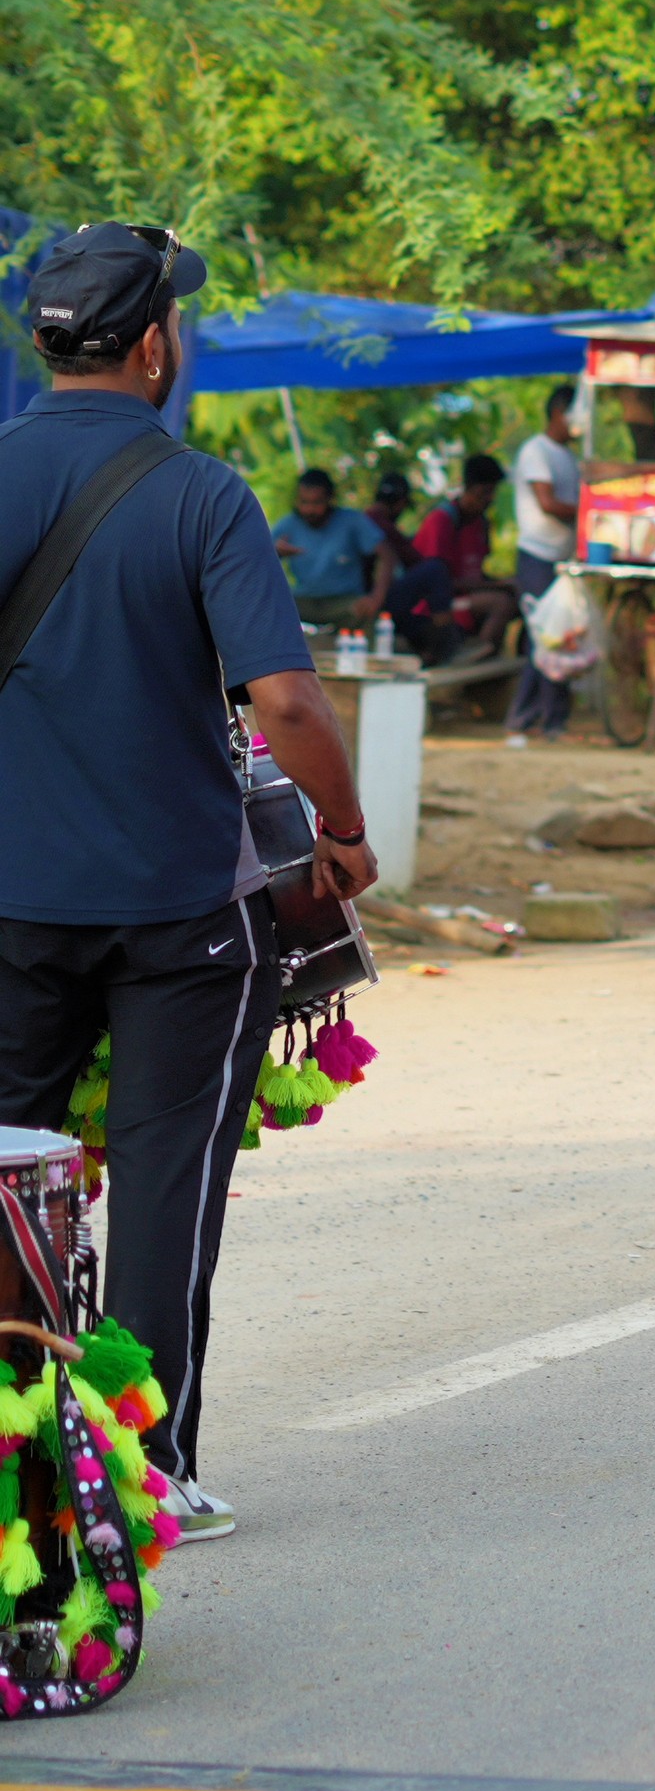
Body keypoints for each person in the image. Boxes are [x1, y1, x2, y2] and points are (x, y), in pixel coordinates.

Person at [0, 220, 380, 1542]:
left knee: (4, 1172)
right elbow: (286, 699)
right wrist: (342, 825)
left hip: (10, 905)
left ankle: (13, 1459)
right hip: (180, 915)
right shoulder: (204, 494)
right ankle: (138, 1473)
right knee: (165, 1188)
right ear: (156, 347)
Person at [507, 384, 583, 742]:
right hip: (537, 557)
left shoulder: (569, 457)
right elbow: (548, 503)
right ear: (559, 413)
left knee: (559, 638)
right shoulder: (536, 451)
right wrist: (590, 514)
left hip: (561, 560)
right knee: (547, 639)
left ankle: (543, 718)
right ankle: (535, 718)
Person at [413, 454, 515, 657]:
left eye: (493, 493)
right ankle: (474, 657)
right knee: (500, 603)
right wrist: (496, 585)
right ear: (468, 488)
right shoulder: (442, 521)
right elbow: (437, 584)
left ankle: (495, 654)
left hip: (466, 599)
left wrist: (502, 583)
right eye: (484, 493)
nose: (489, 499)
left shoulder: (480, 523)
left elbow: (476, 572)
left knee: (518, 596)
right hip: (436, 606)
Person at [272, 467, 394, 627]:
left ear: (330, 499)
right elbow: (255, 561)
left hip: (345, 602)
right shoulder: (287, 524)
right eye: (304, 502)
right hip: (302, 600)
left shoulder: (351, 520)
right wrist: (276, 553)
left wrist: (376, 598)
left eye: (317, 502)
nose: (309, 509)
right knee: (269, 607)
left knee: (368, 614)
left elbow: (387, 556)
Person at [366, 469, 453, 658]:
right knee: (435, 569)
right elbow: (413, 559)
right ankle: (446, 638)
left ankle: (432, 648)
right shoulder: (380, 523)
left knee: (419, 623)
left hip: (372, 598)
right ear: (401, 503)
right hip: (373, 600)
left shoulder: (367, 518)